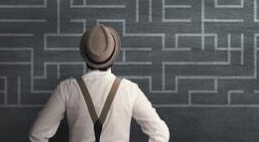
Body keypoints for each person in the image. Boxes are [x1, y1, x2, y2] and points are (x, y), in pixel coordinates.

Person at [29, 24, 170, 142]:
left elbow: (37, 135)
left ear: (85, 56)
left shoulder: (67, 89)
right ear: (113, 57)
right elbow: (161, 133)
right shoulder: (130, 90)